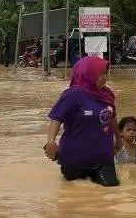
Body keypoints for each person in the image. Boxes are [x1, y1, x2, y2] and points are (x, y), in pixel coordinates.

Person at [43, 56, 120, 187]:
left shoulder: (107, 94)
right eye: (100, 73)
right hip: (75, 157)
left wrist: (118, 138)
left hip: (103, 156)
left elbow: (112, 117)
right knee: (76, 196)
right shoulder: (73, 94)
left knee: (111, 191)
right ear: (88, 73)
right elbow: (56, 118)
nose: (105, 77)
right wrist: (51, 141)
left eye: (105, 73)